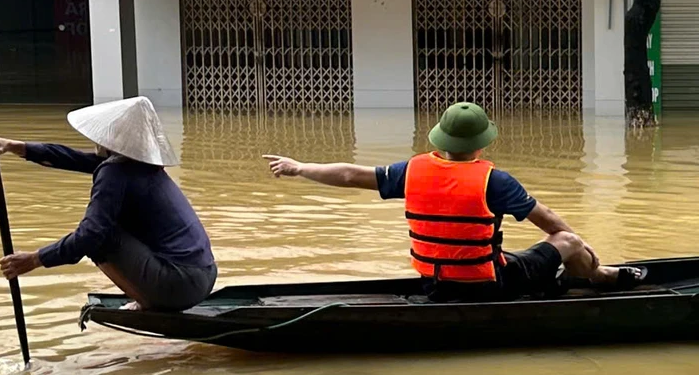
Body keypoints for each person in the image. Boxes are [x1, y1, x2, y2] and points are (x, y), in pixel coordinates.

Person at [263, 100, 644, 300]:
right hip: (487, 287)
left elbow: (348, 174)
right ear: (482, 143)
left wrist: (300, 167)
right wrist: (586, 251)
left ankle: (564, 279)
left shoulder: (410, 171)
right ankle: (600, 276)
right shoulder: (495, 180)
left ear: (440, 138)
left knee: (522, 255)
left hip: (434, 283)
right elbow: (553, 225)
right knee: (569, 242)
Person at [0, 96, 218, 312]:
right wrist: (12, 146)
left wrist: (35, 259)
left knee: (99, 237)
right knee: (103, 229)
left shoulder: (116, 171)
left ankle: (146, 303)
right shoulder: (142, 165)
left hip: (179, 283)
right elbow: (72, 157)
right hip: (205, 276)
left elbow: (90, 236)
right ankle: (148, 296)